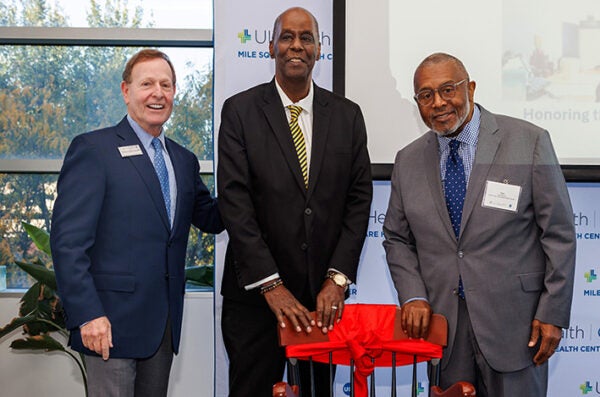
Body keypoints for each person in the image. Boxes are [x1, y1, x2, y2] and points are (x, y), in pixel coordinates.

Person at [382, 52, 576, 397]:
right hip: (446, 332)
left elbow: (559, 234)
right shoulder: (408, 160)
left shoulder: (527, 141)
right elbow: (396, 237)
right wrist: (412, 294)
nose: (439, 103)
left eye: (448, 89)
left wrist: (553, 312)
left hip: (517, 328)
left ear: (470, 88)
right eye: (426, 96)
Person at [50, 49, 224, 397]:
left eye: (166, 84)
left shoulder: (183, 160)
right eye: (147, 84)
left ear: (175, 92)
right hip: (108, 325)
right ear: (126, 91)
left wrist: (257, 181)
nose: (158, 93)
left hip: (161, 327)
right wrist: (88, 314)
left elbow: (212, 218)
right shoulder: (93, 150)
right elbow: (68, 243)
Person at [217, 7, 372, 396]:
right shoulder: (240, 111)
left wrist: (337, 280)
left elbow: (359, 201)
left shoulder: (347, 116)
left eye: (306, 38)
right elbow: (235, 204)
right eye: (287, 37)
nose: (296, 46)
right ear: (271, 46)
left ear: (319, 49)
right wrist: (272, 286)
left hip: (322, 304)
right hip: (254, 300)